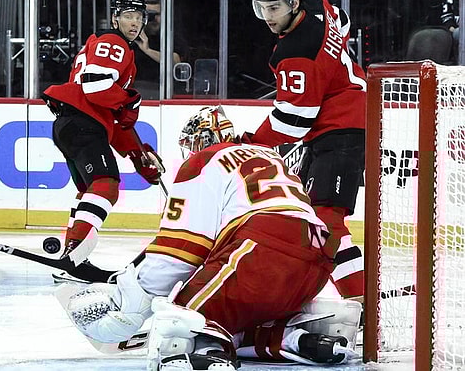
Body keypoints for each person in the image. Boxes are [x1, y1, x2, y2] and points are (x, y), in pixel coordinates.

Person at [61, 106, 360, 371]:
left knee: (178, 322)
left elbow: (177, 253)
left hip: (261, 250)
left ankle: (207, 354)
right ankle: (300, 339)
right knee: (234, 317)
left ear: (200, 142)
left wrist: (129, 301)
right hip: (315, 262)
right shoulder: (269, 155)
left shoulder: (203, 162)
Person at [247, 0, 367, 302]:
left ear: (294, 3)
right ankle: (293, 291)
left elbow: (293, 122)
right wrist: (333, 69)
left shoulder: (295, 53)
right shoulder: (317, 3)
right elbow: (342, 21)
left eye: (275, 8)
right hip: (342, 118)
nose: (268, 16)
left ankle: (359, 300)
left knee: (326, 219)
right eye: (262, 7)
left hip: (342, 127)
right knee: (307, 215)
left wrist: (251, 144)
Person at [41, 0, 162, 267]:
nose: (134, 23)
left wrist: (138, 155)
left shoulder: (105, 45)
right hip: (83, 124)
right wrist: (131, 100)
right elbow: (95, 88)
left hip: (73, 125)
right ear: (114, 18)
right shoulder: (113, 42)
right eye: (128, 16)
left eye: (139, 17)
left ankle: (72, 253)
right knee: (106, 186)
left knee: (89, 191)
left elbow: (112, 115)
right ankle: (74, 255)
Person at [132, 0, 186, 99]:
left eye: (157, 14)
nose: (154, 19)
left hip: (164, 91)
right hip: (136, 90)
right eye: (149, 14)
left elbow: (176, 61)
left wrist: (148, 51)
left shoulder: (170, 36)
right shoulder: (132, 36)